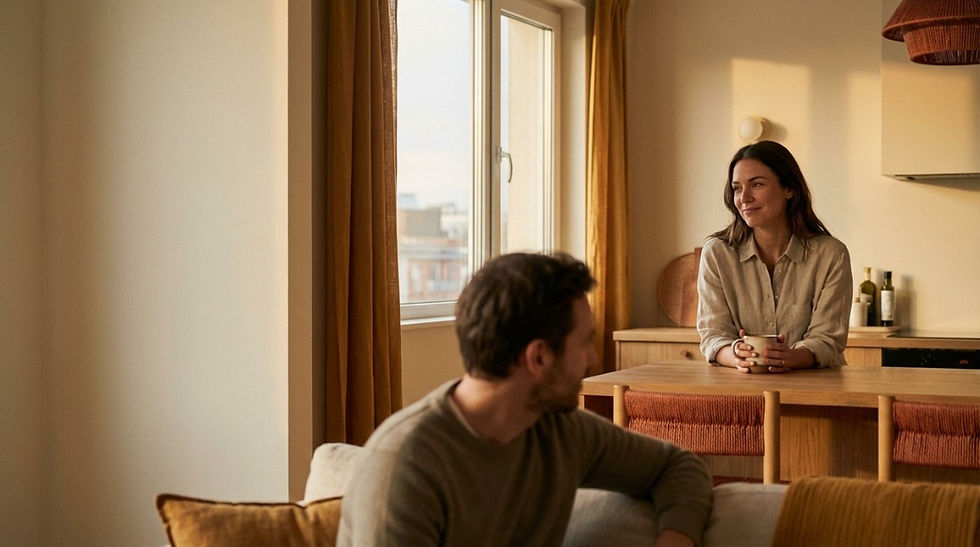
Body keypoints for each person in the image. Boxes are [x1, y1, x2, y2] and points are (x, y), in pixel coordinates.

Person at [339, 252, 712, 547]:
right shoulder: (406, 467)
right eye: (583, 343)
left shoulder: (558, 429)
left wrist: (676, 537)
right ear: (538, 358)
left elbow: (676, 466)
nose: (592, 359)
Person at [697, 140, 852, 373]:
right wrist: (736, 354)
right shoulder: (717, 253)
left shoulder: (831, 254)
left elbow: (828, 339)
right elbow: (713, 335)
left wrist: (794, 356)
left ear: (789, 189)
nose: (744, 198)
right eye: (737, 188)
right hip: (741, 392)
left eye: (757, 184)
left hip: (817, 390)